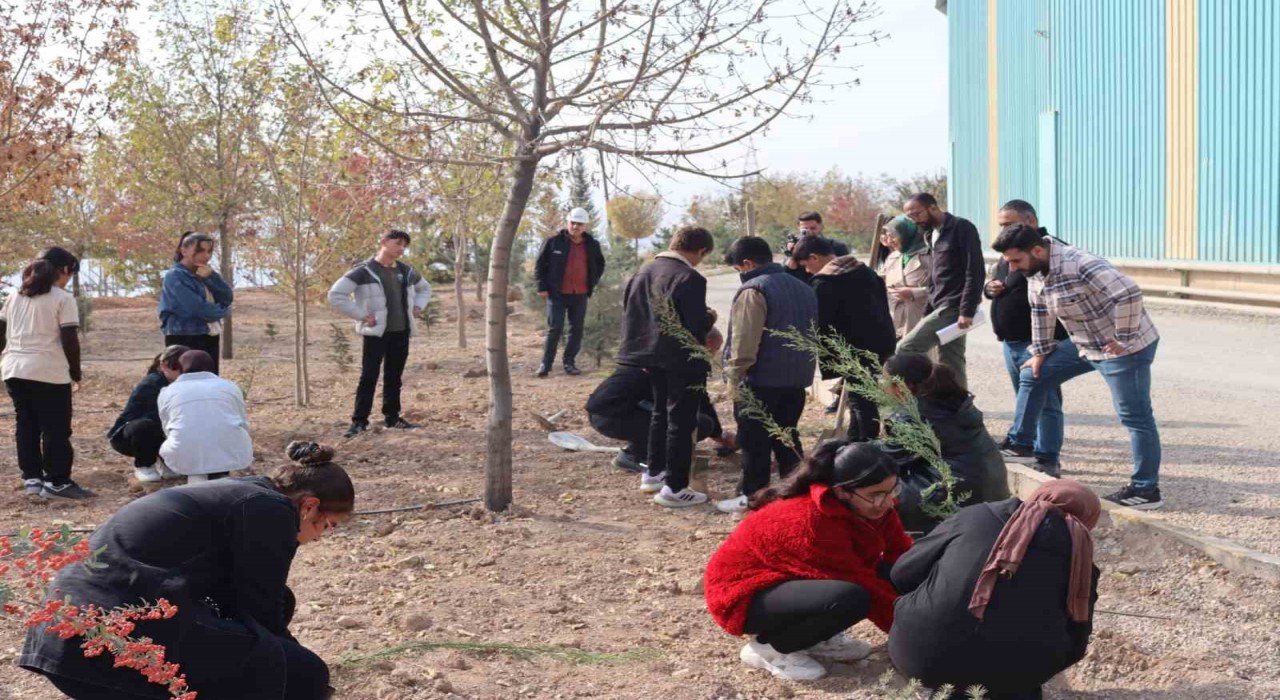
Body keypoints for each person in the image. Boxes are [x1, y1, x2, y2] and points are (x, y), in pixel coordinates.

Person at [21, 441, 352, 700]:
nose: (321, 535)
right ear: (310, 507)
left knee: (283, 609)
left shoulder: (246, 494)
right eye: (329, 525)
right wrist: (296, 667)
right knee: (303, 675)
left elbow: (256, 599)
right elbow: (260, 610)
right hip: (109, 634)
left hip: (67, 631)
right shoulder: (272, 511)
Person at [704, 440, 912, 681]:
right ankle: (770, 648)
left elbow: (902, 553)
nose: (887, 502)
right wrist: (916, 633)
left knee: (897, 572)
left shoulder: (872, 504)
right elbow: (861, 582)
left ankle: (818, 638)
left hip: (793, 580)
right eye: (876, 495)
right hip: (743, 593)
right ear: (841, 490)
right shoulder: (810, 522)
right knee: (852, 598)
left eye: (892, 490)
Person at [993, 224, 1164, 509]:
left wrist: (1123, 336)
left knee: (1135, 416)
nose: (1010, 267)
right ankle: (1020, 444)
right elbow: (1041, 312)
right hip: (1085, 343)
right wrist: (1041, 352)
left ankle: (1146, 490)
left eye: (1015, 260)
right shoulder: (1035, 270)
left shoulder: (1079, 264)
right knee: (1033, 373)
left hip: (1124, 349)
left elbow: (1129, 293)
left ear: (1036, 250)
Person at [889, 480, 1101, 700]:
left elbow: (902, 574)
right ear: (1087, 521)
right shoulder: (1082, 563)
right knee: (1015, 674)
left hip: (920, 656)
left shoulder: (975, 516)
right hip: (1017, 674)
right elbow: (1077, 642)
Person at [616, 225, 716, 507]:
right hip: (680, 360)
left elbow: (631, 312)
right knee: (681, 421)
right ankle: (675, 487)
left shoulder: (643, 271)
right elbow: (693, 328)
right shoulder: (690, 278)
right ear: (701, 250)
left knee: (660, 414)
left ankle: (654, 472)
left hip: (645, 354)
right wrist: (710, 318)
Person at [718, 236, 819, 514]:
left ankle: (754, 499)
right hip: (796, 380)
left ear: (747, 263)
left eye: (739, 268)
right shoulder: (803, 287)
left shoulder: (754, 290)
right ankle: (797, 497)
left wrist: (734, 378)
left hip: (760, 380)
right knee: (787, 439)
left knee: (754, 442)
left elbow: (744, 343)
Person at [0, 247, 94, 500]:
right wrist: (75, 371)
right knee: (56, 428)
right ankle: (58, 482)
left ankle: (32, 478)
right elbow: (69, 339)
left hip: (13, 369)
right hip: (48, 370)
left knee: (26, 424)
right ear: (65, 270)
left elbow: (3, 331)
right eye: (71, 274)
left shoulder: (14, 296)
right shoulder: (62, 298)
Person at [985, 201, 1069, 477]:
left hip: (1038, 341)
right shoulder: (1007, 250)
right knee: (1028, 399)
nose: (1004, 229)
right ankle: (1026, 449)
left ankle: (1047, 457)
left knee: (1046, 401)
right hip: (1011, 340)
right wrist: (990, 288)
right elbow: (996, 280)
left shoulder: (1050, 251)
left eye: (1009, 223)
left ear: (1030, 221)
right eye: (1001, 225)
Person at [882, 353, 1010, 531]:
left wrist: (846, 450)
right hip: (994, 491)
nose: (882, 387)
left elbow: (886, 457)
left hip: (962, 495)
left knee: (876, 492)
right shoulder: (952, 398)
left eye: (886, 381)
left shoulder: (916, 415)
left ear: (903, 385)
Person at [328, 230, 432, 438]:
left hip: (401, 331)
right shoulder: (364, 270)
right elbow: (336, 295)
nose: (401, 248)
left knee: (394, 377)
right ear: (383, 242)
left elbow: (425, 289)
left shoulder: (407, 270)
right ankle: (359, 422)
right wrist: (361, 315)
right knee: (368, 377)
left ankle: (392, 418)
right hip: (376, 333)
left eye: (405, 245)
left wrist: (418, 307)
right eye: (398, 243)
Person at [792, 236, 896, 442]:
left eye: (806, 265)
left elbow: (819, 323)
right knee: (861, 394)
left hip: (851, 349)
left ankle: (867, 444)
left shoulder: (826, 282)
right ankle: (855, 438)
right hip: (881, 342)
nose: (806, 271)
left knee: (861, 400)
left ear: (814, 257)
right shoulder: (865, 271)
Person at [586, 327, 735, 472]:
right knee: (699, 423)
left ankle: (645, 449)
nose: (714, 354)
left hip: (607, 412)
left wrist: (718, 434)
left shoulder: (664, 352)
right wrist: (719, 435)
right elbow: (701, 400)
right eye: (716, 348)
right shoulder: (687, 362)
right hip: (611, 416)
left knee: (678, 417)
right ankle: (636, 456)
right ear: (707, 342)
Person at [897, 193, 985, 388]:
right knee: (951, 361)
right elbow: (936, 276)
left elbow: (975, 270)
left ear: (933, 208)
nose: (914, 220)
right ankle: (958, 408)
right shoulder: (930, 234)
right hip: (939, 304)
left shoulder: (961, 228)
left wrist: (967, 310)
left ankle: (922, 396)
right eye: (910, 217)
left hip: (954, 306)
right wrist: (929, 308)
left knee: (907, 347)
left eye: (917, 214)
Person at [158, 350, 253, 483]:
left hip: (184, 453)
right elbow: (242, 422)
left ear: (180, 368)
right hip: (232, 452)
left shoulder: (168, 392)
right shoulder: (230, 387)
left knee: (194, 463)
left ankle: (196, 479)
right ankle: (220, 475)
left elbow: (167, 428)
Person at [533, 207, 607, 377]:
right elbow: (539, 265)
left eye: (579, 224)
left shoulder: (592, 245)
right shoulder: (553, 242)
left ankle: (569, 363)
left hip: (580, 294)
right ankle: (546, 364)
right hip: (556, 294)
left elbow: (600, 265)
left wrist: (592, 282)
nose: (575, 226)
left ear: (585, 226)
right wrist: (542, 287)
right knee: (555, 328)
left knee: (576, 329)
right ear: (567, 223)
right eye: (573, 223)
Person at [108, 345, 189, 483]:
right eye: (176, 367)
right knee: (147, 426)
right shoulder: (151, 384)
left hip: (166, 431)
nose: (182, 372)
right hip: (132, 436)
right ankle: (144, 464)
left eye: (186, 368)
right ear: (163, 365)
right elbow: (158, 417)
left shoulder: (188, 384)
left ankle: (168, 462)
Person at [159, 232, 233, 375]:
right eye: (200, 251)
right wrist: (224, 311)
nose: (206, 255)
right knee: (185, 380)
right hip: (184, 336)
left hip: (209, 333)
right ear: (184, 250)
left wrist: (211, 277)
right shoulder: (175, 275)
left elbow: (227, 297)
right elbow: (199, 309)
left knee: (209, 379)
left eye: (209, 251)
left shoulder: (205, 273)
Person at [881, 215, 931, 341]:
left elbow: (945, 288)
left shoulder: (931, 256)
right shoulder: (893, 258)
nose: (890, 240)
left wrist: (915, 292)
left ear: (907, 234)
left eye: (894, 235)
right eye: (888, 236)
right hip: (895, 323)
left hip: (921, 321)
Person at [783, 212, 850, 284]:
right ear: (799, 228)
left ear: (821, 226)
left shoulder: (837, 246)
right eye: (805, 229)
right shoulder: (795, 248)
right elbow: (786, 276)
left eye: (813, 228)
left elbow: (846, 272)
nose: (809, 232)